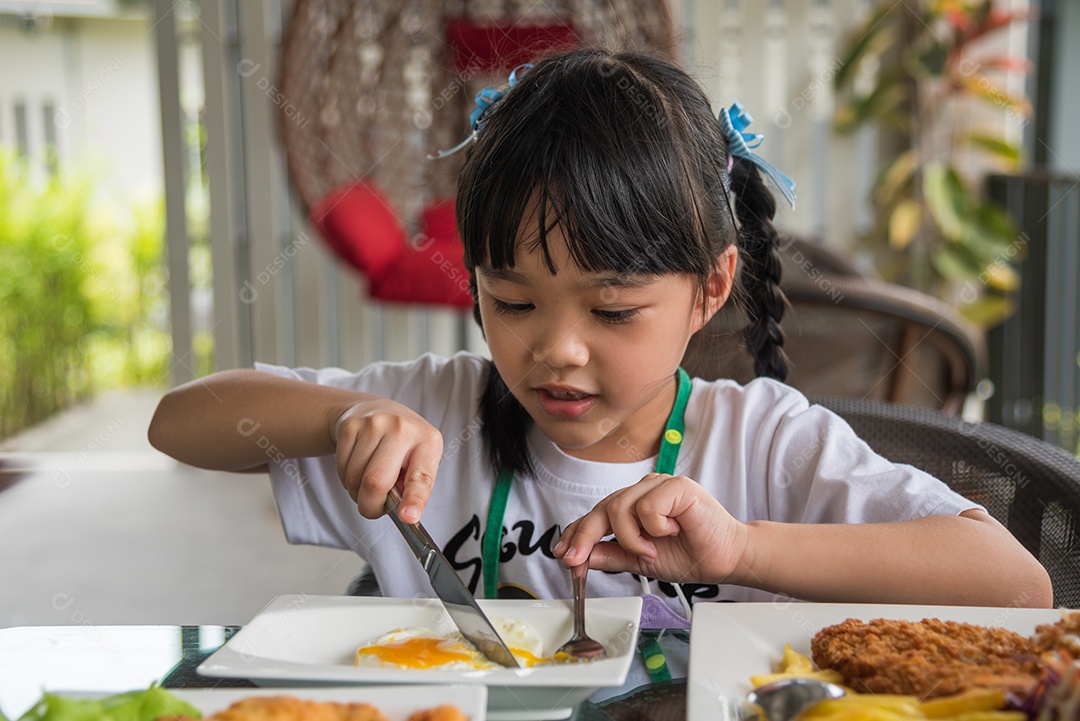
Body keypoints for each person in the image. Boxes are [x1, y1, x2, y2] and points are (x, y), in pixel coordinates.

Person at [148, 48, 1051, 614]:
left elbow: (1017, 583)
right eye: (511, 300)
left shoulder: (763, 442)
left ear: (711, 289)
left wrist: (743, 550)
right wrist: (339, 416)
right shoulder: (434, 413)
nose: (557, 349)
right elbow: (177, 422)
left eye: (612, 310)